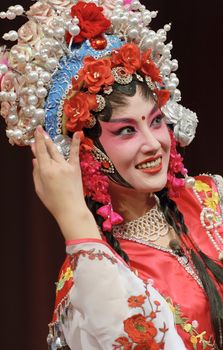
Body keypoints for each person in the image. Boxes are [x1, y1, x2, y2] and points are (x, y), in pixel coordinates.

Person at [0, 0, 223, 349]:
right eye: (126, 131)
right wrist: (75, 222)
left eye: (155, 121)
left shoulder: (212, 201)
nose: (153, 144)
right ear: (86, 151)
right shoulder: (87, 280)